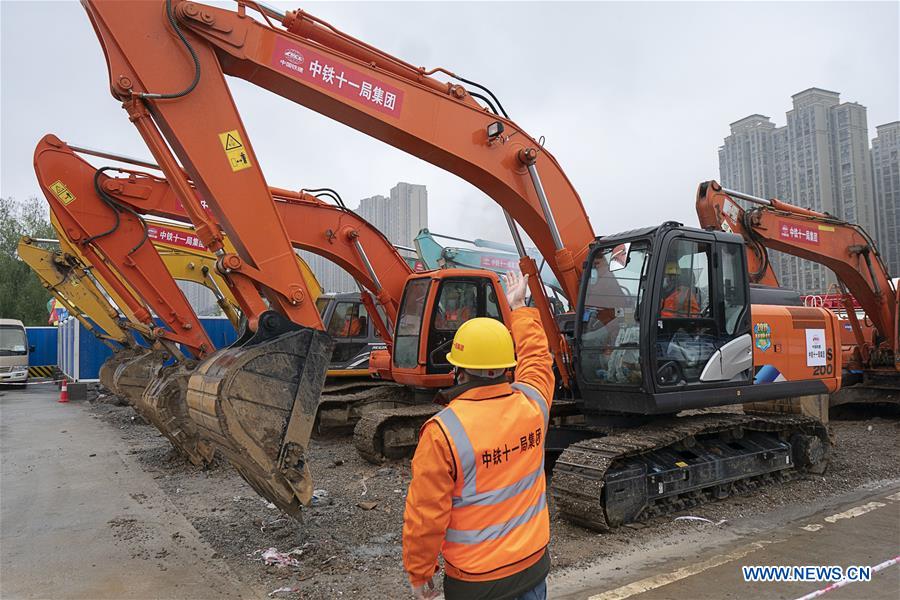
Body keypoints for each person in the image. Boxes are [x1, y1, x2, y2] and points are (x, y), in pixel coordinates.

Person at [402, 271, 553, 600]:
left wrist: (420, 571)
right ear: (507, 367)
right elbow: (537, 359)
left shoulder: (443, 432)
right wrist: (519, 307)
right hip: (532, 569)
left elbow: (426, 515)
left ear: (458, 370)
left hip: (476, 583)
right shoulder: (533, 405)